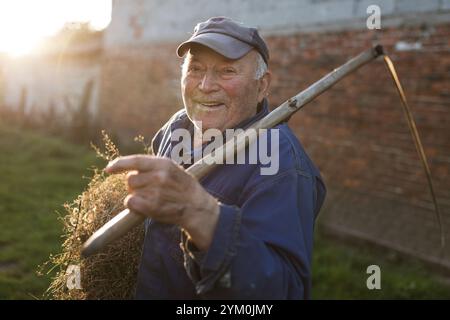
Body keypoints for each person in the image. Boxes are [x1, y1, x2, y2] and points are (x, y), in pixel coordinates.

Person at [105, 16, 326, 299]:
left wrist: (201, 213)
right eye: (196, 69)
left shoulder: (281, 164)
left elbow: (282, 291)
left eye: (226, 71)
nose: (206, 85)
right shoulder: (178, 126)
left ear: (262, 86)